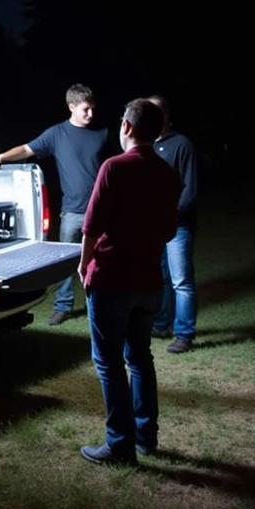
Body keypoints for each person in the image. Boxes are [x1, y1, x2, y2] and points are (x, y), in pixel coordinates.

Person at [78, 97, 181, 466]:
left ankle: (119, 444)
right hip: (149, 281)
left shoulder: (114, 168)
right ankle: (145, 437)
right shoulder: (168, 174)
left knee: (108, 362)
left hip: (112, 280)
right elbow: (169, 229)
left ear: (127, 127)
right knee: (140, 358)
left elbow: (91, 226)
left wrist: (83, 265)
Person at [0, 82, 108, 325]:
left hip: (101, 210)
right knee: (65, 261)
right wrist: (1, 157)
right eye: (85, 109)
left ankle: (102, 302)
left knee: (102, 260)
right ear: (71, 107)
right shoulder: (57, 134)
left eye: (93, 109)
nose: (91, 114)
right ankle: (63, 305)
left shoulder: (103, 133)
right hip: (72, 211)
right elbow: (27, 149)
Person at [148, 94, 198, 353]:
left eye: (156, 113)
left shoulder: (182, 144)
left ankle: (184, 333)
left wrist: (172, 215)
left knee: (181, 280)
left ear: (166, 116)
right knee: (162, 277)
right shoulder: (146, 146)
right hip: (154, 227)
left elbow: (189, 190)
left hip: (178, 226)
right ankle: (161, 324)